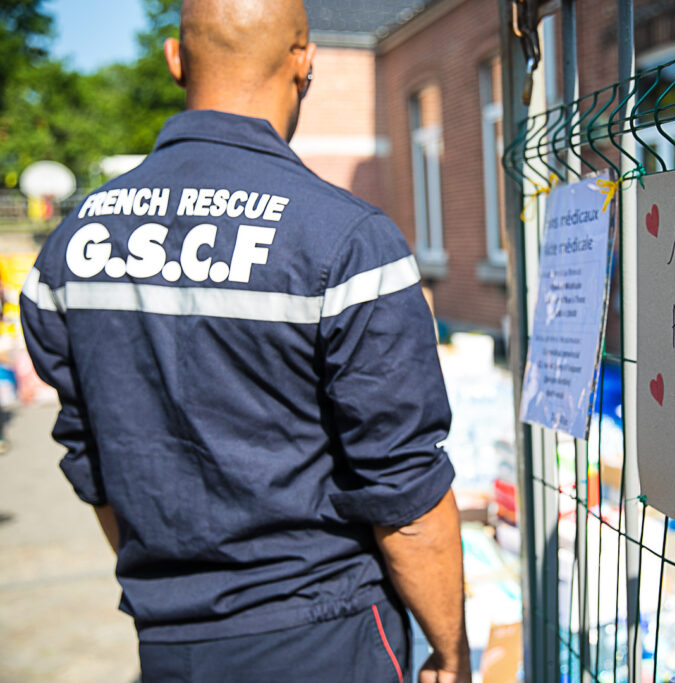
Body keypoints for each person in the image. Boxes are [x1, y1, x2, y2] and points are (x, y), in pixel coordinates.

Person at [19, 1, 470, 681]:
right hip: (326, 636)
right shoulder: (345, 239)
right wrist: (451, 648)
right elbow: (404, 491)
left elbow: (93, 458)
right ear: (305, 63)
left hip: (170, 644)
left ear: (176, 58)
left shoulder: (69, 248)